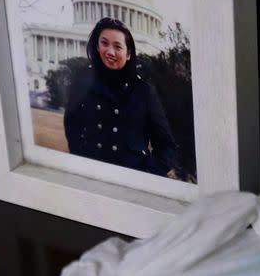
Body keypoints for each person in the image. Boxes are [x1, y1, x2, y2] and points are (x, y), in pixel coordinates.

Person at [63, 17, 178, 178]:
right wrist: (80, 158)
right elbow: (72, 124)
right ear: (97, 45)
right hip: (92, 175)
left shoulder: (144, 92)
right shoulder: (83, 82)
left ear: (128, 53)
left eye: (117, 46)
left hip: (131, 179)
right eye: (104, 43)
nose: (110, 52)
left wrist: (148, 173)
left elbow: (165, 145)